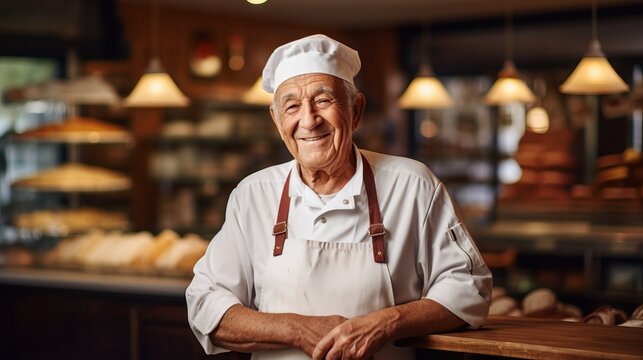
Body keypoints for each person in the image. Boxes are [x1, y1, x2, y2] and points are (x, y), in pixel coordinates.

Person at [186, 34, 492, 360]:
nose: (308, 120)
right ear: (277, 121)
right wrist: (296, 328)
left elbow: (467, 287)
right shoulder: (252, 196)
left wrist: (388, 322)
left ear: (355, 110)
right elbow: (206, 306)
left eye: (323, 101)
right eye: (291, 106)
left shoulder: (413, 186)